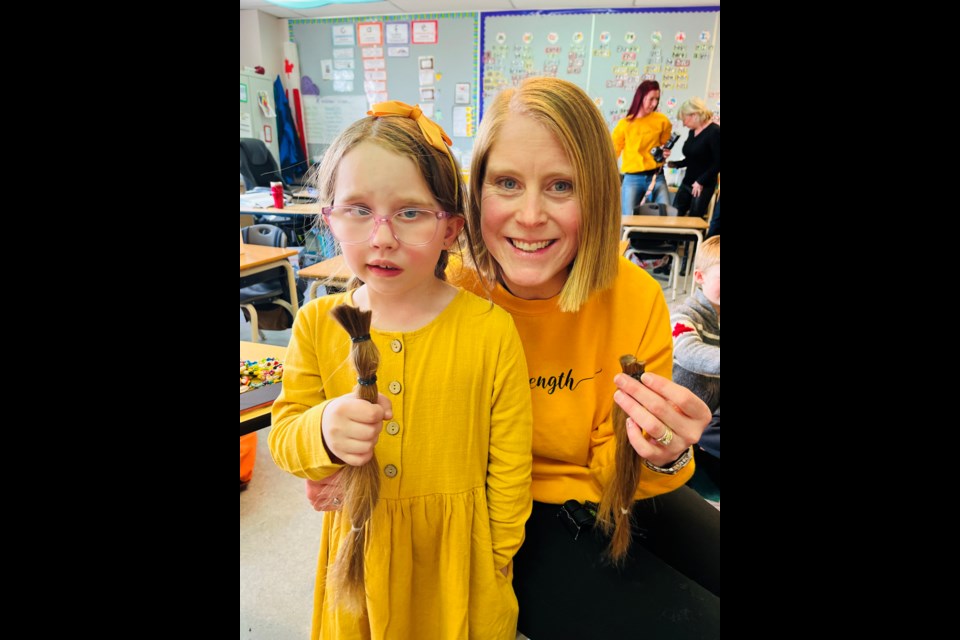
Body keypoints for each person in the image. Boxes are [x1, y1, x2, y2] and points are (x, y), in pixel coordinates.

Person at [459, 77, 720, 638]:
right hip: (505, 514)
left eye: (561, 186)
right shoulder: (447, 292)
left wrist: (661, 455)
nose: (530, 216)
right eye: (506, 182)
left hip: (609, 488)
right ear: (475, 189)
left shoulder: (634, 295)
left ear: (599, 193)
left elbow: (620, 462)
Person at [268, 102, 533, 640]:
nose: (382, 237)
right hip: (359, 555)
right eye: (358, 210)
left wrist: (496, 558)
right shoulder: (320, 322)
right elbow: (285, 437)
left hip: (461, 562)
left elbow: (509, 466)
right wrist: (321, 430)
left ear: (451, 229)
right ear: (329, 218)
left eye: (410, 212)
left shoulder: (489, 329)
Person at [671, 236, 720, 488]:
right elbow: (688, 350)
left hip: (707, 414)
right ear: (700, 277)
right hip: (675, 416)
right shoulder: (684, 313)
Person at [612, 79, 673, 215]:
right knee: (628, 219)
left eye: (657, 99)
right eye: (651, 99)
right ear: (641, 97)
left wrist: (665, 152)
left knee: (666, 216)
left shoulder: (662, 121)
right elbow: (613, 152)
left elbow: (664, 144)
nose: (654, 103)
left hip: (656, 176)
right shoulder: (625, 124)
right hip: (633, 178)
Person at [668, 97, 721, 221]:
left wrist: (700, 181)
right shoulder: (692, 131)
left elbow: (718, 162)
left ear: (694, 115)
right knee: (675, 216)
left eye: (684, 120)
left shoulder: (714, 132)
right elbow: (693, 158)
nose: (683, 124)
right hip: (687, 182)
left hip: (702, 186)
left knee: (694, 220)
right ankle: (672, 241)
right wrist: (676, 164)